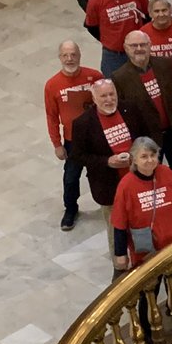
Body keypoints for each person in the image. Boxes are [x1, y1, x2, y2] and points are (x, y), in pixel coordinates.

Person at [111, 137, 172, 321]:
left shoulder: (167, 173)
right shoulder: (126, 186)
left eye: (153, 155)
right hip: (147, 250)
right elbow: (119, 222)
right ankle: (147, 327)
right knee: (150, 290)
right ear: (134, 159)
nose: (149, 160)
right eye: (144, 156)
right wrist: (120, 253)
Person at [70, 79, 153, 254]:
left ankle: (145, 260)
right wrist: (107, 161)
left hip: (138, 179)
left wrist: (138, 155)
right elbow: (77, 156)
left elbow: (147, 136)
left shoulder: (130, 109)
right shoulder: (83, 123)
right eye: (103, 96)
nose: (109, 99)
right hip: (109, 186)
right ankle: (120, 266)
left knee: (144, 222)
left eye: (111, 94)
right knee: (116, 229)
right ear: (94, 99)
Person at [113, 30, 172, 196]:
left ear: (150, 46)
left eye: (143, 44)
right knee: (151, 178)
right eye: (133, 45)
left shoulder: (164, 64)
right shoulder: (119, 77)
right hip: (146, 138)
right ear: (126, 48)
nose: (139, 49)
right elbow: (124, 114)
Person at [45, 40, 104, 230]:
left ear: (79, 55)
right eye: (65, 55)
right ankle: (70, 209)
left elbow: (107, 101)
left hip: (96, 137)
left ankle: (112, 203)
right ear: (60, 57)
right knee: (71, 177)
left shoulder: (94, 77)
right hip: (72, 141)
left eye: (73, 55)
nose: (69, 59)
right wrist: (57, 144)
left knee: (105, 171)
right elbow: (51, 116)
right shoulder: (52, 85)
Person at [84, 0, 149, 76]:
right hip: (113, 56)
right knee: (114, 88)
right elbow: (92, 26)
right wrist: (110, 40)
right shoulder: (95, 2)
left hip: (139, 50)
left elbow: (147, 16)